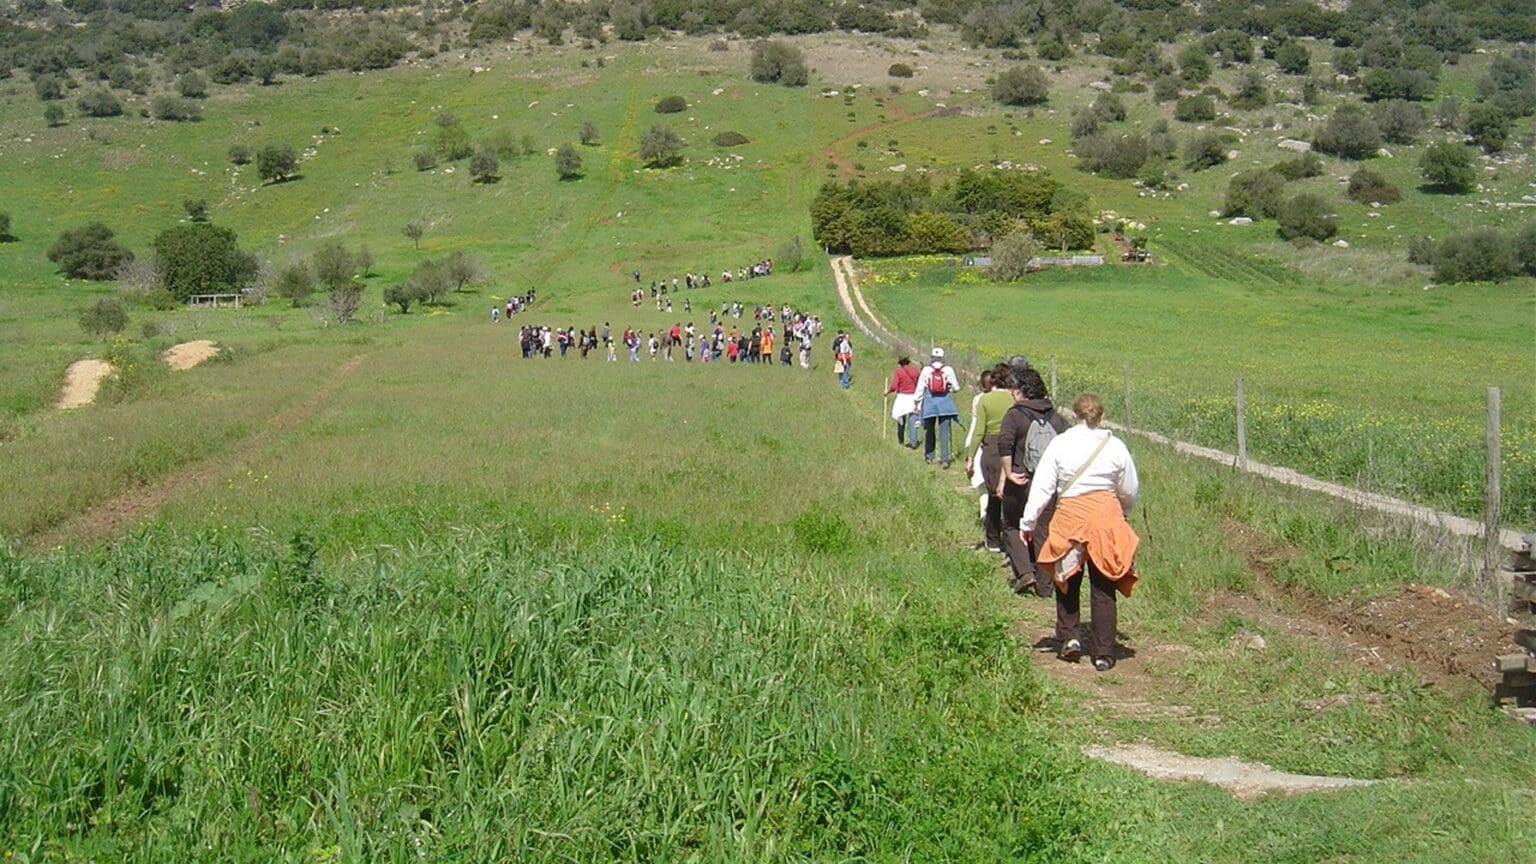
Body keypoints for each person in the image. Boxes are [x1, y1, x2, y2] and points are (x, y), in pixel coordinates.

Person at [1021, 393, 1140, 672]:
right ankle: (1104, 652)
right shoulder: (1115, 446)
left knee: (1067, 580)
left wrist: (1028, 522)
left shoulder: (1060, 444)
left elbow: (1043, 487)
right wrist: (1122, 511)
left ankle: (1069, 637)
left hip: (1070, 517)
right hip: (1105, 519)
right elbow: (1130, 489)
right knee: (1103, 585)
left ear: (1074, 415)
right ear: (1100, 416)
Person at [996, 367, 1069, 596]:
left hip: (1020, 478)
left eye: (1012, 387)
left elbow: (1004, 444)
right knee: (1042, 529)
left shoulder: (1014, 415)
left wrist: (1008, 473)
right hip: (1048, 483)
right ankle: (1046, 587)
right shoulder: (1057, 418)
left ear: (1020, 390)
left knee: (1011, 524)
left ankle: (1025, 572)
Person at [965, 365, 1014, 553]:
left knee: (993, 493)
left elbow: (979, 431)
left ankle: (993, 539)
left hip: (992, 446)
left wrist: (970, 456)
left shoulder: (985, 400)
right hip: (1012, 443)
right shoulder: (1014, 398)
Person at [914, 348, 960, 467]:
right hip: (944, 404)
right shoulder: (948, 370)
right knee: (944, 432)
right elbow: (956, 388)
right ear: (943, 357)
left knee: (929, 430)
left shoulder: (926, 370)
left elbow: (920, 388)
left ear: (932, 357)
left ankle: (929, 456)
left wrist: (916, 402)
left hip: (930, 404)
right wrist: (949, 389)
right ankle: (944, 458)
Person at [885, 357, 921, 447]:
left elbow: (894, 386)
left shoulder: (899, 371)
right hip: (913, 396)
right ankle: (913, 441)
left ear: (900, 363)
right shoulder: (915, 371)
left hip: (902, 397)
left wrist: (887, 392)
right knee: (912, 419)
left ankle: (901, 440)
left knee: (900, 418)